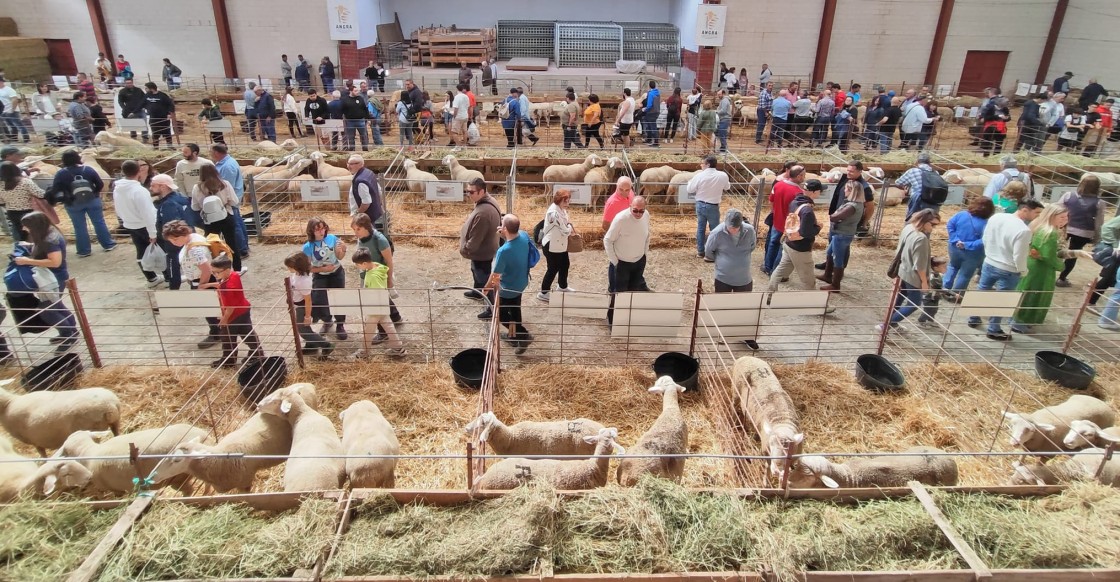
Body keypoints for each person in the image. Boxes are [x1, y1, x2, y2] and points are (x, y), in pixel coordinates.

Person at [967, 199, 1045, 341]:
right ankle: (994, 328)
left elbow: (985, 238)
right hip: (1008, 268)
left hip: (989, 261)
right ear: (1025, 210)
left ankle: (973, 317)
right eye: (1037, 212)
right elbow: (1019, 254)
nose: (1038, 216)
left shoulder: (996, 217)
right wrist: (1023, 270)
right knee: (1002, 299)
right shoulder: (1023, 230)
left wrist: (990, 253)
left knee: (982, 289)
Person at [1009, 204, 1089, 334]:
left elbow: (1054, 252)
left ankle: (1017, 319)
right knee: (1033, 293)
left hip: (1035, 265)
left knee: (1028, 290)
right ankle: (1019, 322)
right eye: (1061, 217)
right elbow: (1049, 256)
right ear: (1052, 216)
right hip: (1041, 268)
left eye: (1066, 217)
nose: (1065, 220)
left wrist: (1076, 253)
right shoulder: (1050, 232)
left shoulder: (1042, 227)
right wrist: (1061, 266)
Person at [12, 212, 79, 350]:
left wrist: (27, 261)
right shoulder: (48, 233)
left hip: (53, 278)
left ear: (36, 226)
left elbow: (55, 262)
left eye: (26, 226)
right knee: (56, 305)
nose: (24, 229)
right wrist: (31, 248)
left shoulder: (50, 240)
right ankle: (71, 331)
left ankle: (68, 335)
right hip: (52, 276)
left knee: (47, 310)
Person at [877, 210, 940, 332]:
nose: (933, 228)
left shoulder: (908, 228)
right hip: (913, 276)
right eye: (932, 225)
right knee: (914, 303)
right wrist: (924, 282)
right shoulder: (921, 239)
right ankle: (887, 324)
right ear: (924, 222)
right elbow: (919, 266)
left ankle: (889, 323)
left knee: (899, 298)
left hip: (902, 270)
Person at [704, 209, 759, 349]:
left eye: (736, 227)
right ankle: (722, 333)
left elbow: (753, 246)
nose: (733, 230)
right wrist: (723, 261)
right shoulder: (717, 233)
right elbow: (709, 251)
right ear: (726, 223)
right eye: (730, 227)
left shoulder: (749, 231)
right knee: (723, 306)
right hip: (723, 277)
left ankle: (745, 335)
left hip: (744, 277)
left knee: (744, 307)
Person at [482, 214, 533, 354]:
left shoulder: (503, 251)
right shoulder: (523, 235)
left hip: (508, 288)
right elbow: (513, 242)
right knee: (515, 310)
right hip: (521, 282)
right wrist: (505, 234)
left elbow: (495, 276)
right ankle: (513, 336)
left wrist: (486, 288)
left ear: (504, 228)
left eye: (502, 223)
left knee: (502, 315)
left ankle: (523, 336)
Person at [200, 254, 261, 368]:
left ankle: (228, 361)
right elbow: (222, 283)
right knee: (247, 333)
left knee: (228, 338)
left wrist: (224, 320)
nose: (215, 275)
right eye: (213, 272)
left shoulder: (226, 288)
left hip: (232, 315)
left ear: (227, 270)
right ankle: (257, 353)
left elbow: (230, 307)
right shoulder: (234, 275)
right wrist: (209, 284)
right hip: (244, 309)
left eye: (217, 272)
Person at [767, 176, 824, 296]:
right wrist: (818, 227)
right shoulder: (807, 210)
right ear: (814, 192)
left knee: (781, 269)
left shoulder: (795, 201)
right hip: (800, 248)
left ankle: (770, 292)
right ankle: (814, 303)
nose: (821, 192)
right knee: (808, 277)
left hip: (789, 242)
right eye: (820, 190)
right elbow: (806, 232)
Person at [51, 150, 115, 256]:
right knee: (99, 222)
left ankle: (84, 250)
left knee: (79, 226)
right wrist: (94, 193)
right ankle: (108, 244)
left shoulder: (61, 173)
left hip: (73, 203)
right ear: (78, 158)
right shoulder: (88, 169)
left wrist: (64, 197)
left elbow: (56, 189)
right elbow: (99, 184)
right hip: (92, 200)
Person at [113, 160, 163, 287]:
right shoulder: (139, 190)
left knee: (140, 250)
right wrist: (153, 232)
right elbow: (148, 213)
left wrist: (126, 220)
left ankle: (151, 278)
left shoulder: (118, 188)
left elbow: (118, 208)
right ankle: (168, 276)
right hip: (144, 225)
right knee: (159, 249)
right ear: (138, 172)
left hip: (130, 224)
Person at [348, 247, 405, 358]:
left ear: (364, 263)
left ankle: (364, 352)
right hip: (382, 305)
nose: (357, 267)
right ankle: (398, 348)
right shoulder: (377, 266)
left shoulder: (372, 276)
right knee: (389, 326)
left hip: (375, 306)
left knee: (368, 330)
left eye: (358, 265)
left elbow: (377, 292)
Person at [351, 213, 401, 335]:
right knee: (381, 297)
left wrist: (389, 280)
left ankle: (382, 332)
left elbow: (389, 260)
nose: (355, 232)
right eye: (354, 229)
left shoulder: (380, 240)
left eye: (358, 229)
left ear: (367, 227)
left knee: (376, 303)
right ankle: (395, 316)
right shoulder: (361, 238)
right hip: (368, 272)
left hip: (378, 274)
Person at [604, 196, 651, 325]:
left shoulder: (646, 215)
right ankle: (613, 322)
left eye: (641, 211)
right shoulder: (621, 219)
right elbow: (608, 240)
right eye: (635, 210)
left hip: (639, 261)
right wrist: (615, 261)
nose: (638, 214)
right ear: (630, 206)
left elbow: (647, 234)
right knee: (618, 293)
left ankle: (628, 320)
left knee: (633, 291)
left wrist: (644, 253)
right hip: (622, 263)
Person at [460, 178, 502, 319]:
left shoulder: (483, 212)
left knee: (484, 276)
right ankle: (478, 291)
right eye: (467, 191)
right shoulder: (488, 201)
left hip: (482, 251)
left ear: (482, 191)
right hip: (487, 247)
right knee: (476, 270)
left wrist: (466, 249)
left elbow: (476, 237)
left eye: (471, 192)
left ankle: (492, 308)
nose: (468, 194)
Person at [191, 163, 243, 274]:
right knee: (231, 243)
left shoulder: (197, 187)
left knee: (212, 244)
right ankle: (237, 269)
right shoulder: (224, 184)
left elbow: (194, 206)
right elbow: (235, 201)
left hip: (209, 220)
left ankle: (216, 269)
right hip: (226, 216)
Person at [302, 216, 348, 340]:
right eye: (317, 229)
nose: (321, 231)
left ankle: (340, 325)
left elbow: (340, 257)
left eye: (323, 228)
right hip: (320, 275)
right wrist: (322, 269)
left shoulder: (332, 238)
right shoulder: (307, 247)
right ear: (311, 231)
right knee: (319, 300)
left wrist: (343, 249)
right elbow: (307, 268)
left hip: (337, 272)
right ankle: (327, 321)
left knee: (338, 299)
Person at [1055, 174, 1104, 288]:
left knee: (1056, 248)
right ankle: (1062, 278)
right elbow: (1099, 222)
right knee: (1073, 254)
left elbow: (1057, 209)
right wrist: (1097, 237)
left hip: (1065, 226)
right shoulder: (1099, 203)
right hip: (1084, 231)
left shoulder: (1068, 195)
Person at [943, 197, 995, 302]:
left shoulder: (961, 214)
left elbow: (950, 225)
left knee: (952, 266)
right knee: (965, 274)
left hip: (954, 247)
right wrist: (967, 245)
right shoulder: (987, 224)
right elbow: (984, 240)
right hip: (974, 253)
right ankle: (956, 295)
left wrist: (955, 239)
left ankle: (944, 288)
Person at [286, 251, 336, 357]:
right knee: (305, 328)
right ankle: (312, 345)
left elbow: (308, 300)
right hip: (299, 305)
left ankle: (326, 345)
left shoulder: (303, 281)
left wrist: (307, 316)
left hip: (302, 307)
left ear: (298, 267)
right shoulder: (299, 275)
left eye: (290, 267)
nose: (289, 269)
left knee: (303, 330)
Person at [818, 180, 864, 292]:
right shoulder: (852, 204)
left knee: (837, 258)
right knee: (830, 253)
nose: (844, 190)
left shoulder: (852, 206)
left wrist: (834, 216)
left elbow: (834, 217)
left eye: (846, 189)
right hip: (841, 232)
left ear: (852, 191)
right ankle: (827, 275)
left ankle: (835, 285)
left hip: (842, 234)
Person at [150, 174, 193, 290]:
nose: (151, 188)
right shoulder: (180, 198)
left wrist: (169, 240)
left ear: (163, 187)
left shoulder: (168, 204)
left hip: (175, 240)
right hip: (185, 237)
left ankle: (174, 290)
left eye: (153, 185)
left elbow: (172, 227)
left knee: (173, 266)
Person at [762, 166, 808, 276]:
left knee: (773, 243)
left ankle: (767, 267)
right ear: (799, 176)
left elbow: (771, 201)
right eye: (803, 175)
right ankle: (776, 272)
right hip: (788, 226)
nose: (804, 177)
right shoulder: (798, 193)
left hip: (776, 221)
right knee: (782, 249)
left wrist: (775, 212)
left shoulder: (778, 185)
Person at [209, 144, 249, 259]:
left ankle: (241, 250)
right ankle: (244, 246)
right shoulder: (228, 161)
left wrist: (224, 200)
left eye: (211, 152)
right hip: (234, 197)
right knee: (238, 221)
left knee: (234, 224)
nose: (210, 155)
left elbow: (226, 186)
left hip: (230, 199)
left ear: (217, 153)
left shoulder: (227, 167)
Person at [687, 155, 731, 260]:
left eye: (702, 163)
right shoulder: (722, 175)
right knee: (715, 230)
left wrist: (690, 183)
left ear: (708, 164)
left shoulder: (699, 176)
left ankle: (700, 251)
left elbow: (690, 190)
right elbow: (727, 187)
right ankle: (711, 252)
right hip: (713, 206)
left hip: (701, 205)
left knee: (701, 228)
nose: (701, 165)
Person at [539, 189, 575, 302]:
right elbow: (565, 230)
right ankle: (544, 292)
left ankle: (562, 286)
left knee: (565, 264)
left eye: (568, 201)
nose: (567, 204)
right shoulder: (553, 213)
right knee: (553, 268)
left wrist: (568, 226)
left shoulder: (561, 210)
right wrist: (569, 227)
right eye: (566, 201)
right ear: (559, 200)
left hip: (559, 243)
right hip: (552, 244)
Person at [827, 161, 876, 242]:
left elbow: (870, 206)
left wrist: (864, 222)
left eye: (851, 171)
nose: (848, 173)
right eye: (848, 170)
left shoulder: (864, 187)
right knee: (832, 242)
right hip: (838, 216)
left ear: (860, 172)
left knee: (840, 243)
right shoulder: (846, 179)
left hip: (847, 222)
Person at [896, 152, 941, 222]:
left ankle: (909, 231)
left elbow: (898, 182)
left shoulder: (913, 171)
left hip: (918, 199)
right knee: (929, 221)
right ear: (929, 162)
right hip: (933, 200)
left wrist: (908, 184)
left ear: (917, 161)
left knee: (912, 219)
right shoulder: (935, 172)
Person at [346, 154, 383, 229]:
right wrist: (380, 205)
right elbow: (379, 191)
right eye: (348, 163)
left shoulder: (360, 181)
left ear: (361, 164)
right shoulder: (368, 172)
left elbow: (366, 202)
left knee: (367, 234)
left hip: (366, 217)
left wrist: (358, 214)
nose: (349, 166)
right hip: (375, 213)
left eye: (353, 164)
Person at [143, 82, 176, 149]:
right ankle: (155, 147)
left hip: (164, 117)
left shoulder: (162, 95)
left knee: (167, 133)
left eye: (146, 88)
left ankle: (170, 146)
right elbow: (142, 103)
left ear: (151, 88)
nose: (145, 89)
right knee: (155, 133)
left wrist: (169, 114)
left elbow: (171, 104)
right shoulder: (147, 96)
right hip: (153, 118)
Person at [917, 257, 948, 327]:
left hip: (935, 297)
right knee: (928, 310)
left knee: (934, 309)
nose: (946, 268)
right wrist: (953, 294)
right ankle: (921, 321)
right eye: (944, 267)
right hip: (929, 297)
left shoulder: (939, 275)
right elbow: (939, 288)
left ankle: (930, 320)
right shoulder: (933, 277)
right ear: (936, 268)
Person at [0, 79, 28, 143]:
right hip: (3, 111)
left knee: (19, 125)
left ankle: (26, 139)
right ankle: (14, 138)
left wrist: (12, 109)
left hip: (12, 110)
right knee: (11, 126)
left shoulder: (9, 90)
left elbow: (15, 99)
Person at [643, 80, 661, 147]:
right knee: (651, 126)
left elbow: (649, 105)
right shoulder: (658, 93)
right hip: (657, 111)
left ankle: (655, 142)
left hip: (651, 112)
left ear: (649, 86)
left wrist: (645, 109)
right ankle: (649, 139)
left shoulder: (650, 93)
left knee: (652, 127)